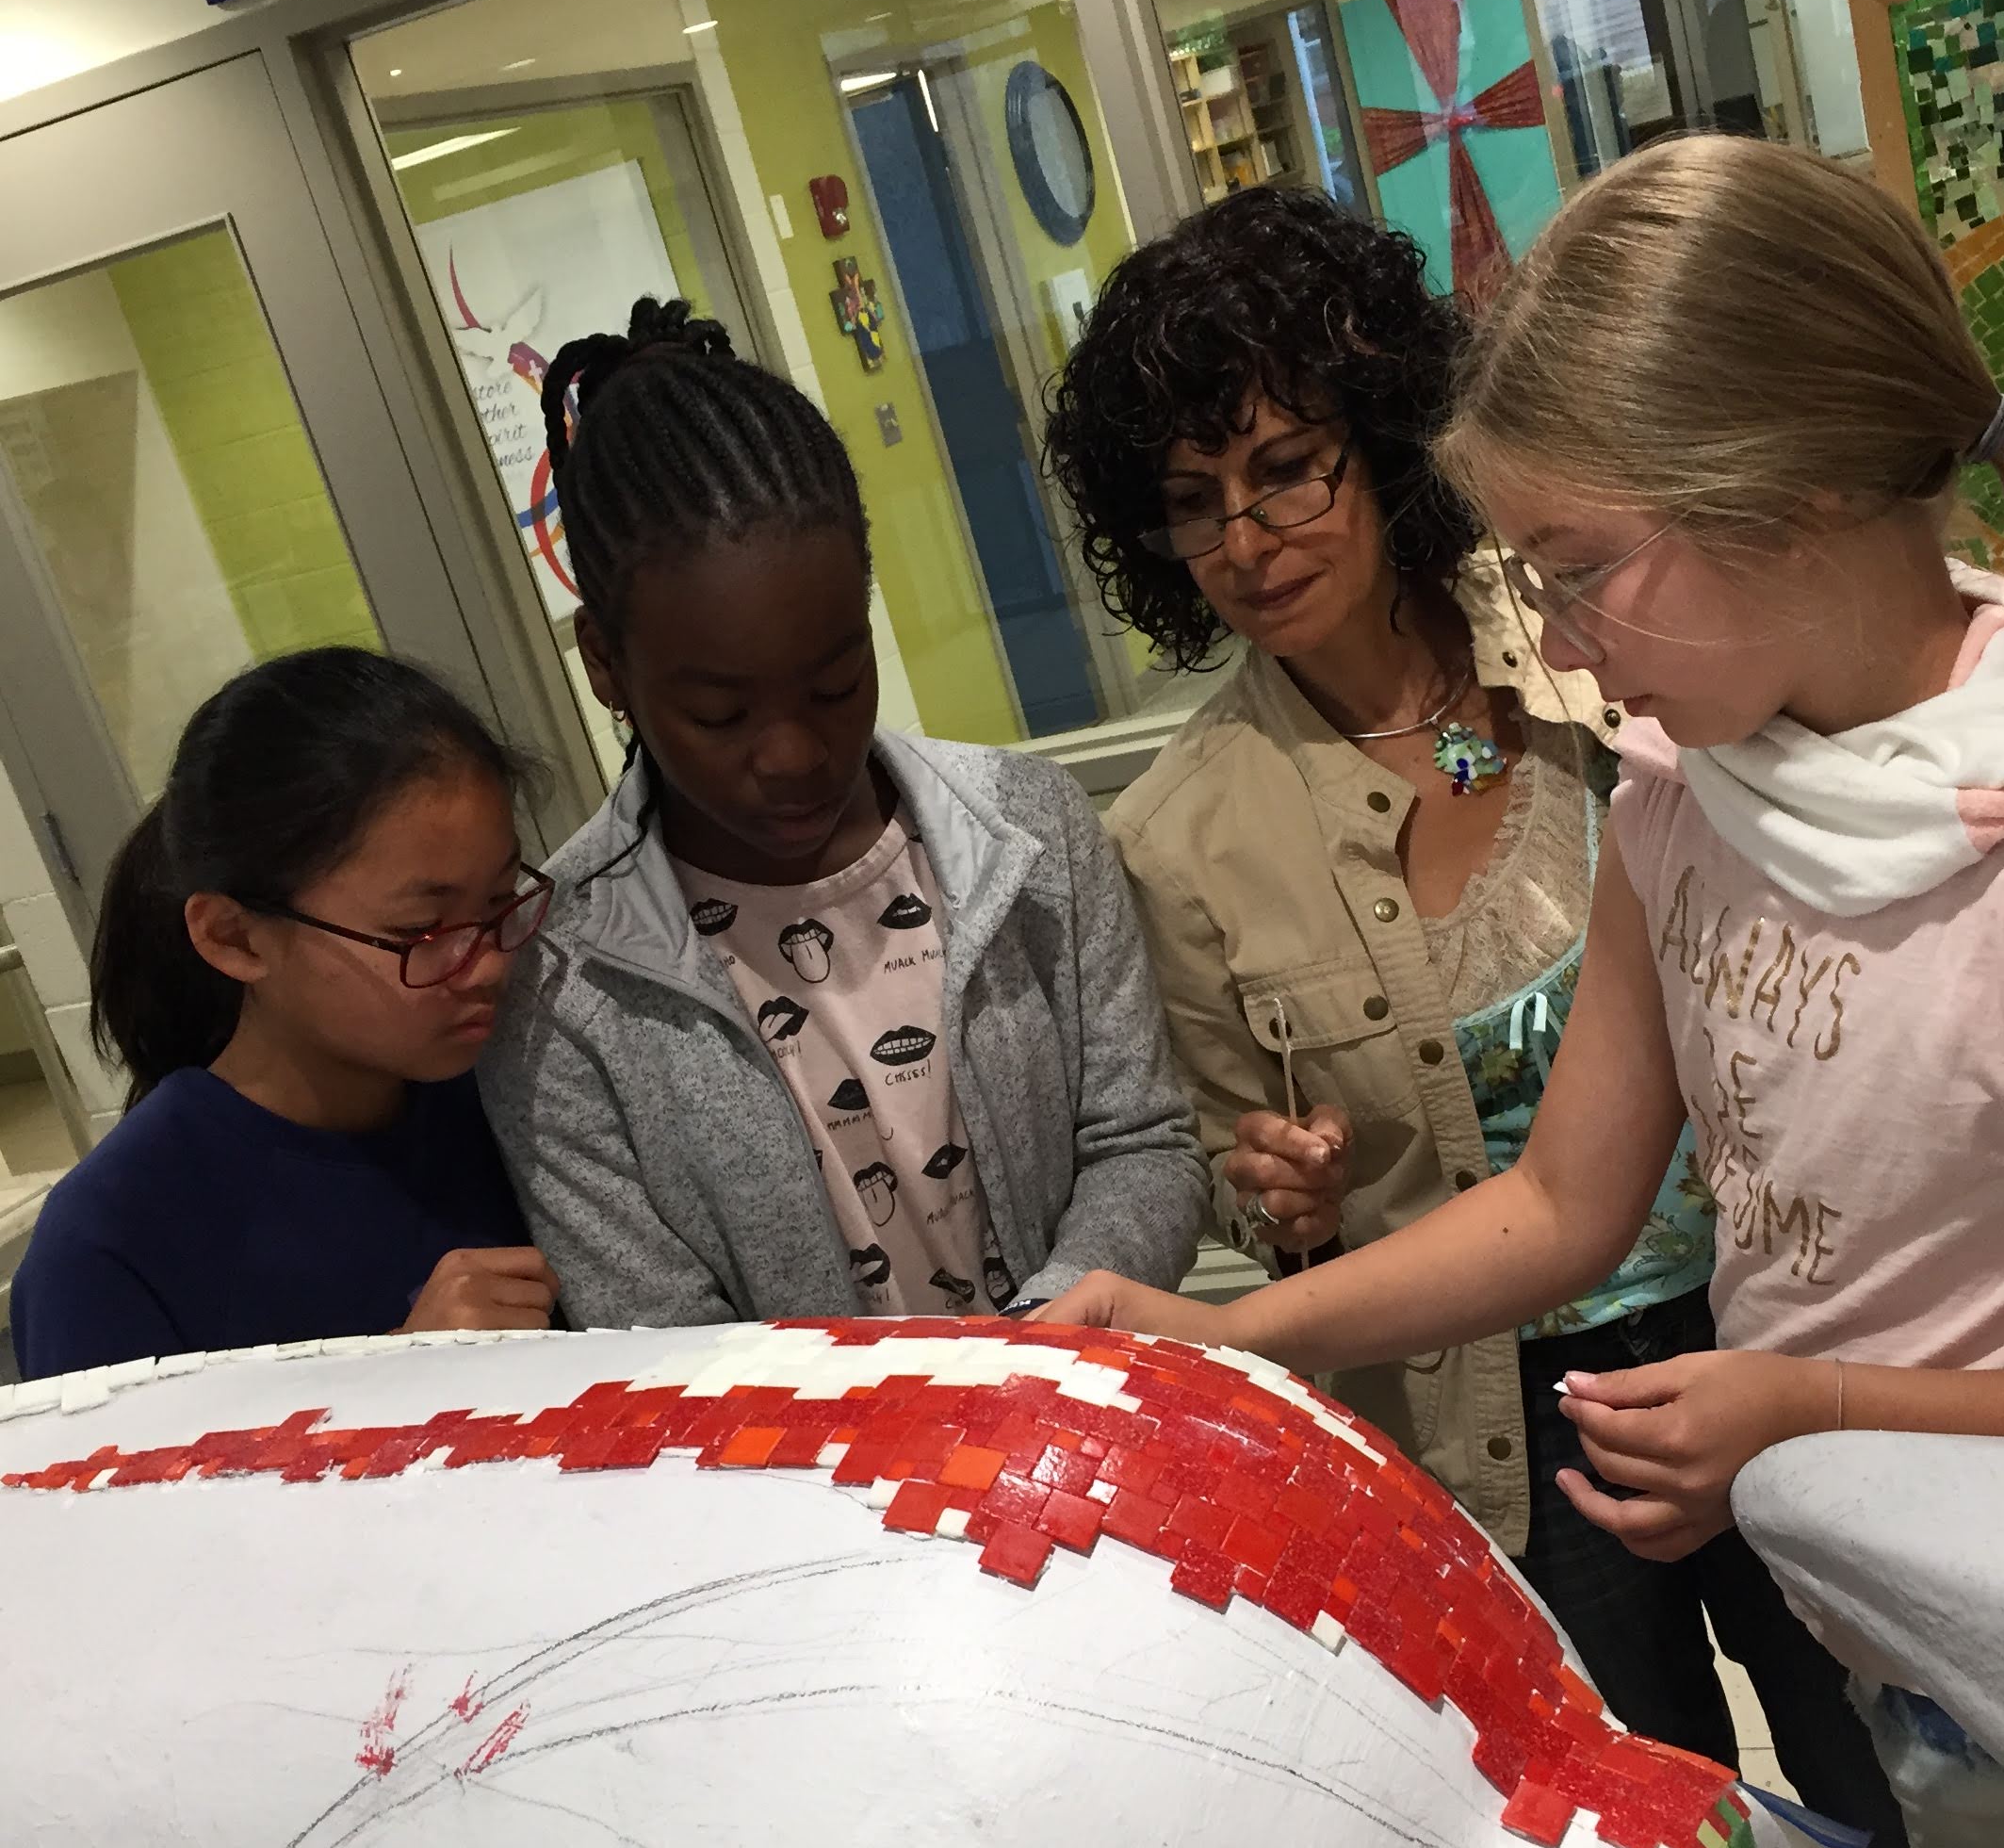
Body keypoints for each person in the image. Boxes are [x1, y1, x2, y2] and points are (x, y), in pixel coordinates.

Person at [1038, 137, 2004, 1848]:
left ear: (1784, 494)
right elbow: (1565, 1197)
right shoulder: (1683, 794)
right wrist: (1231, 1333)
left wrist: (1809, 1407)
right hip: (1885, 1622)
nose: (1556, 645)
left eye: (1575, 570)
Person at [1042, 185, 1907, 1848]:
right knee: (1658, 1839)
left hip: (1767, 1311)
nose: (1248, 538)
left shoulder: (1585, 657)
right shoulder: (1182, 837)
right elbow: (1245, 1180)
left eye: (1287, 467)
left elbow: (1532, 800)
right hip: (1501, 1414)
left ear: (1380, 441)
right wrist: (1279, 1193)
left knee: (1881, 1751)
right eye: (1193, 504)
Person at [479, 298, 1204, 1328]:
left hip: (1070, 1405)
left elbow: (1141, 1144)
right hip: (797, 1444)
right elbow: (657, 1337)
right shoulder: (561, 983)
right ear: (605, 663)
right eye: (721, 714)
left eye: (833, 685)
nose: (793, 755)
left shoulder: (1028, 830)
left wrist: (1045, 1349)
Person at [13, 649, 553, 1377]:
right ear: (235, 938)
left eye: (498, 902)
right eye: (419, 932)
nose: (486, 964)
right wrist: (402, 1373)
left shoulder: (520, 1086)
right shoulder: (110, 1246)